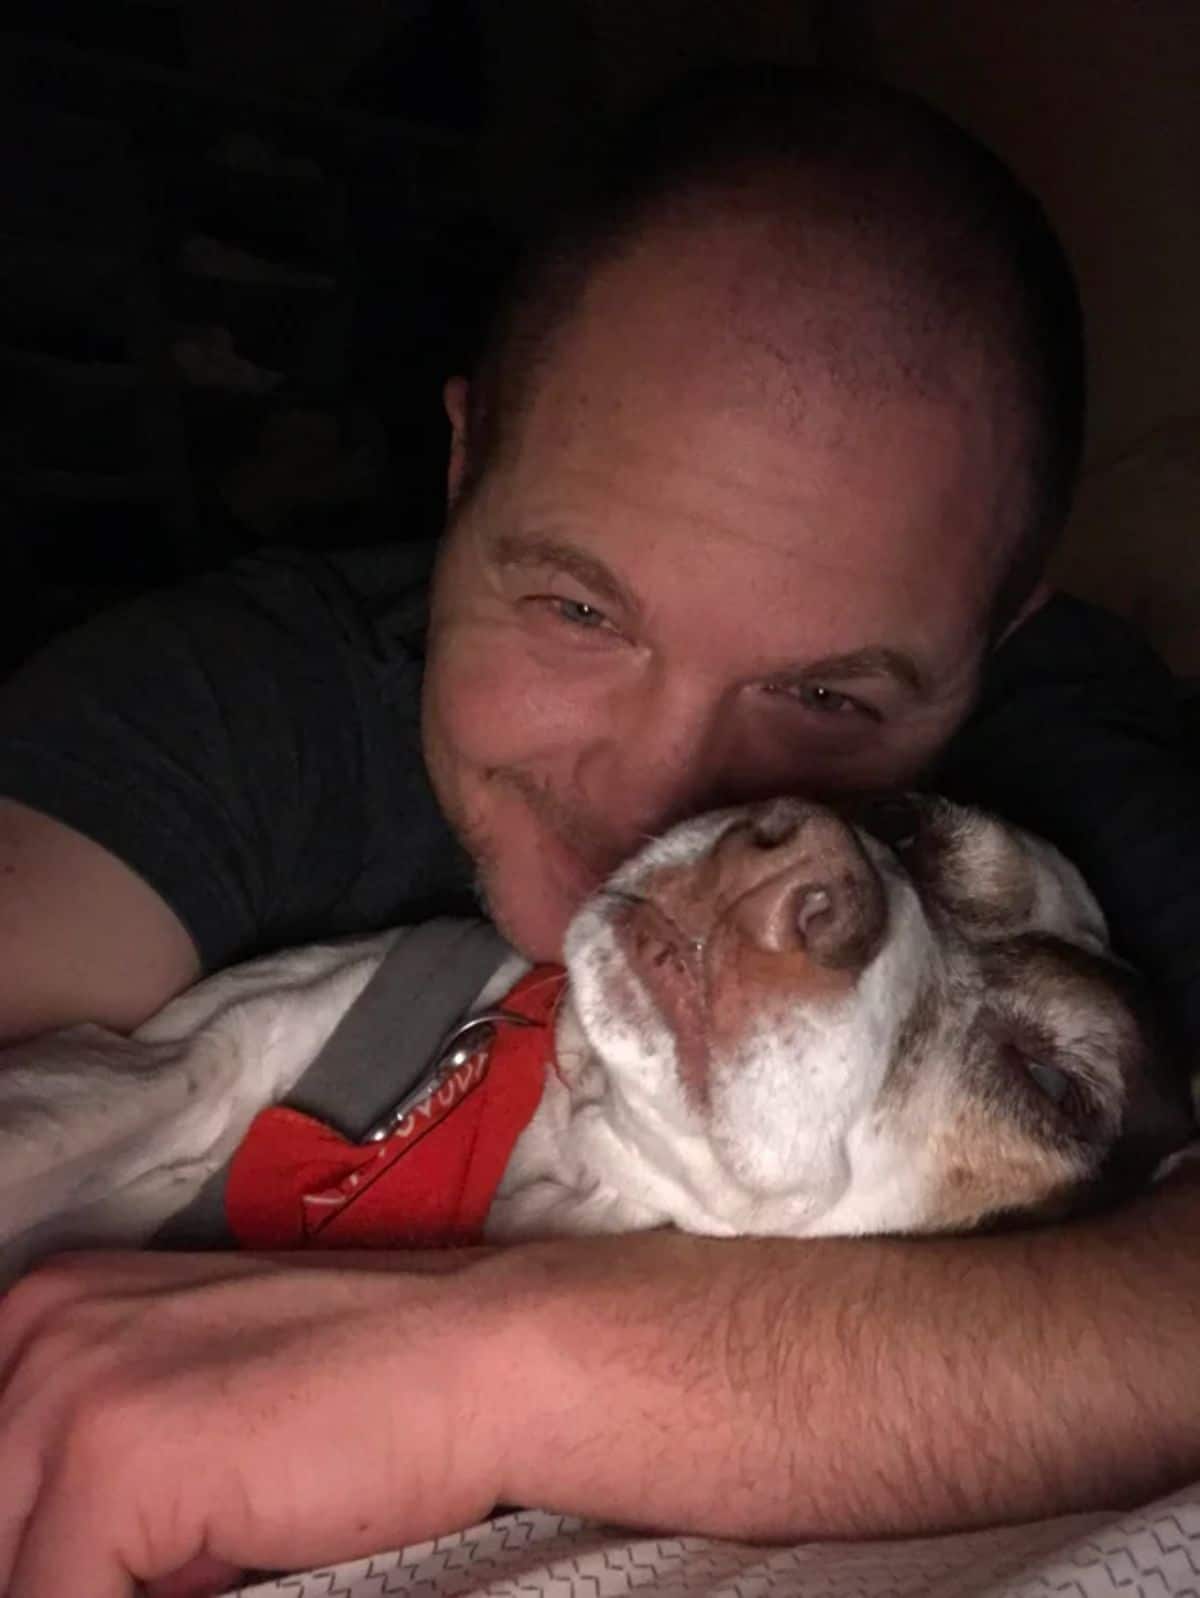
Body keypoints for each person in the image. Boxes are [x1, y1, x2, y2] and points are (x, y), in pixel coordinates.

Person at [0, 66, 1197, 1598]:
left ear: (996, 639)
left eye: (829, 694)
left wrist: (484, 1377)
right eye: (577, 608)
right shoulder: (231, 717)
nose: (666, 809)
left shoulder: (1075, 768)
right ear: (461, 465)